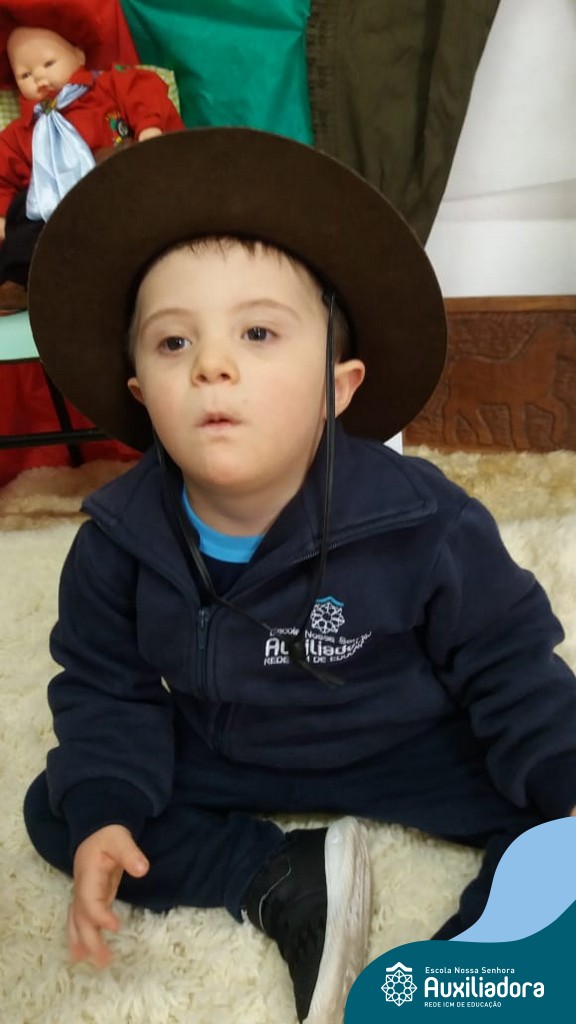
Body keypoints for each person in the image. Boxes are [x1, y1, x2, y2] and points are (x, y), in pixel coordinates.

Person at [22, 128, 576, 1024]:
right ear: (142, 395)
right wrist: (109, 810)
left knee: (552, 800)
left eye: (258, 332)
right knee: (67, 809)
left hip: (404, 744)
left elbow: (509, 663)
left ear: (338, 387)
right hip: (229, 748)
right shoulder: (117, 543)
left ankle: (482, 960)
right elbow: (105, 687)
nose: (212, 365)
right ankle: (278, 874)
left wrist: (560, 772)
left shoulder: (422, 520)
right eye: (173, 343)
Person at [0, 22, 184, 310]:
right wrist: (2, 215)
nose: (39, 77)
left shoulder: (107, 86)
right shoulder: (20, 132)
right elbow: (3, 173)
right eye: (25, 74)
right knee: (23, 211)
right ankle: (21, 281)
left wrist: (149, 127)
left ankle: (159, 267)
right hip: (55, 210)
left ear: (79, 55)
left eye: (48, 63)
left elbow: (144, 93)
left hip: (113, 184)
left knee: (127, 167)